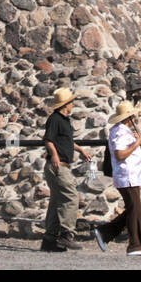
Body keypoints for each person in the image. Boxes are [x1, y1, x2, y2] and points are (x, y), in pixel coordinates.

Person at [94, 100, 141, 258]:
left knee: (134, 210)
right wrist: (137, 144)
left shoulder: (122, 130)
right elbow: (120, 154)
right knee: (135, 210)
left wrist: (134, 139)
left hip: (130, 176)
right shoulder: (119, 131)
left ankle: (106, 233)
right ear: (129, 116)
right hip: (128, 176)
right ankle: (135, 245)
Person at [41, 87, 91, 253]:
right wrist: (54, 155)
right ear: (66, 104)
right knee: (70, 196)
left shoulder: (65, 120)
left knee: (57, 201)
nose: (73, 104)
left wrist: (80, 150)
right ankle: (66, 235)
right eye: (71, 102)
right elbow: (48, 140)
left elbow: (67, 141)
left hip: (62, 165)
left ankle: (49, 240)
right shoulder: (55, 119)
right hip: (57, 165)